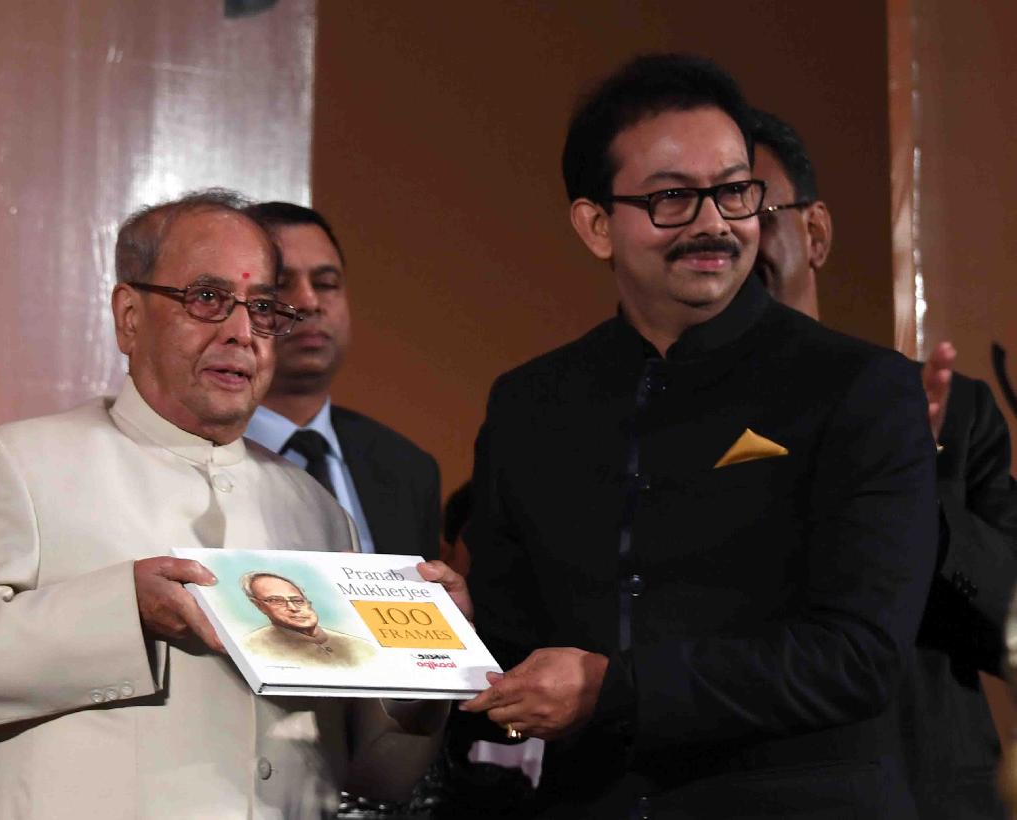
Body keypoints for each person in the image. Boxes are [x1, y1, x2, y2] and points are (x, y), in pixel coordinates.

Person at [0, 189, 462, 819]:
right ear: (129, 316)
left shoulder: (318, 510)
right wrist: (124, 612)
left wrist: (429, 660)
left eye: (262, 308)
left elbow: (379, 775)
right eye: (207, 298)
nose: (241, 333)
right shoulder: (19, 462)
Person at [461, 53, 938, 817]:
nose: (714, 222)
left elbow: (859, 657)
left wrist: (616, 689)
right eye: (673, 198)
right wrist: (454, 629)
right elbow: (518, 652)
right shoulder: (530, 404)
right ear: (595, 226)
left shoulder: (859, 387)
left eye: (734, 191)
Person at [752, 106, 1017, 819]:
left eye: (756, 211)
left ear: (815, 233)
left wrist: (911, 485)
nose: (731, 238)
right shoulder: (654, 429)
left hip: (917, 794)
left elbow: (1007, 621)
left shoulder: (950, 413)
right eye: (707, 216)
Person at [243, 202, 440, 560]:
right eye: (280, 285)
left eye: (326, 284)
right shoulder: (191, 453)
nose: (308, 301)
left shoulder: (407, 467)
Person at [241, 571, 377, 668]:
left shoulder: (361, 646)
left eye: (297, 600)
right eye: (276, 601)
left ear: (308, 603)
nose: (293, 608)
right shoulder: (251, 647)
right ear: (259, 606)